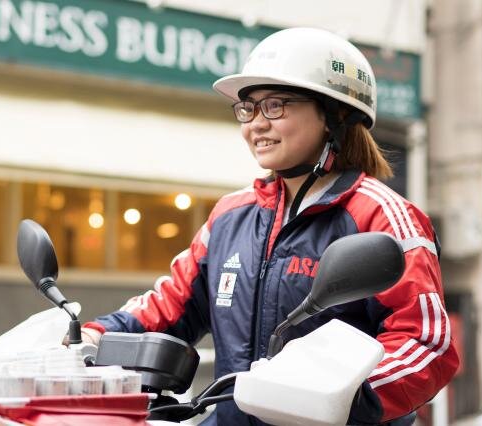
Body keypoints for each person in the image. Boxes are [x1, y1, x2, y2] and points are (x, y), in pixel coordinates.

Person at [81, 27, 459, 425]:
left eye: (276, 105)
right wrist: (93, 338)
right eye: (248, 108)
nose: (255, 124)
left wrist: (347, 397)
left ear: (334, 116)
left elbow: (425, 343)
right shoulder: (230, 215)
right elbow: (171, 308)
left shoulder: (382, 217)